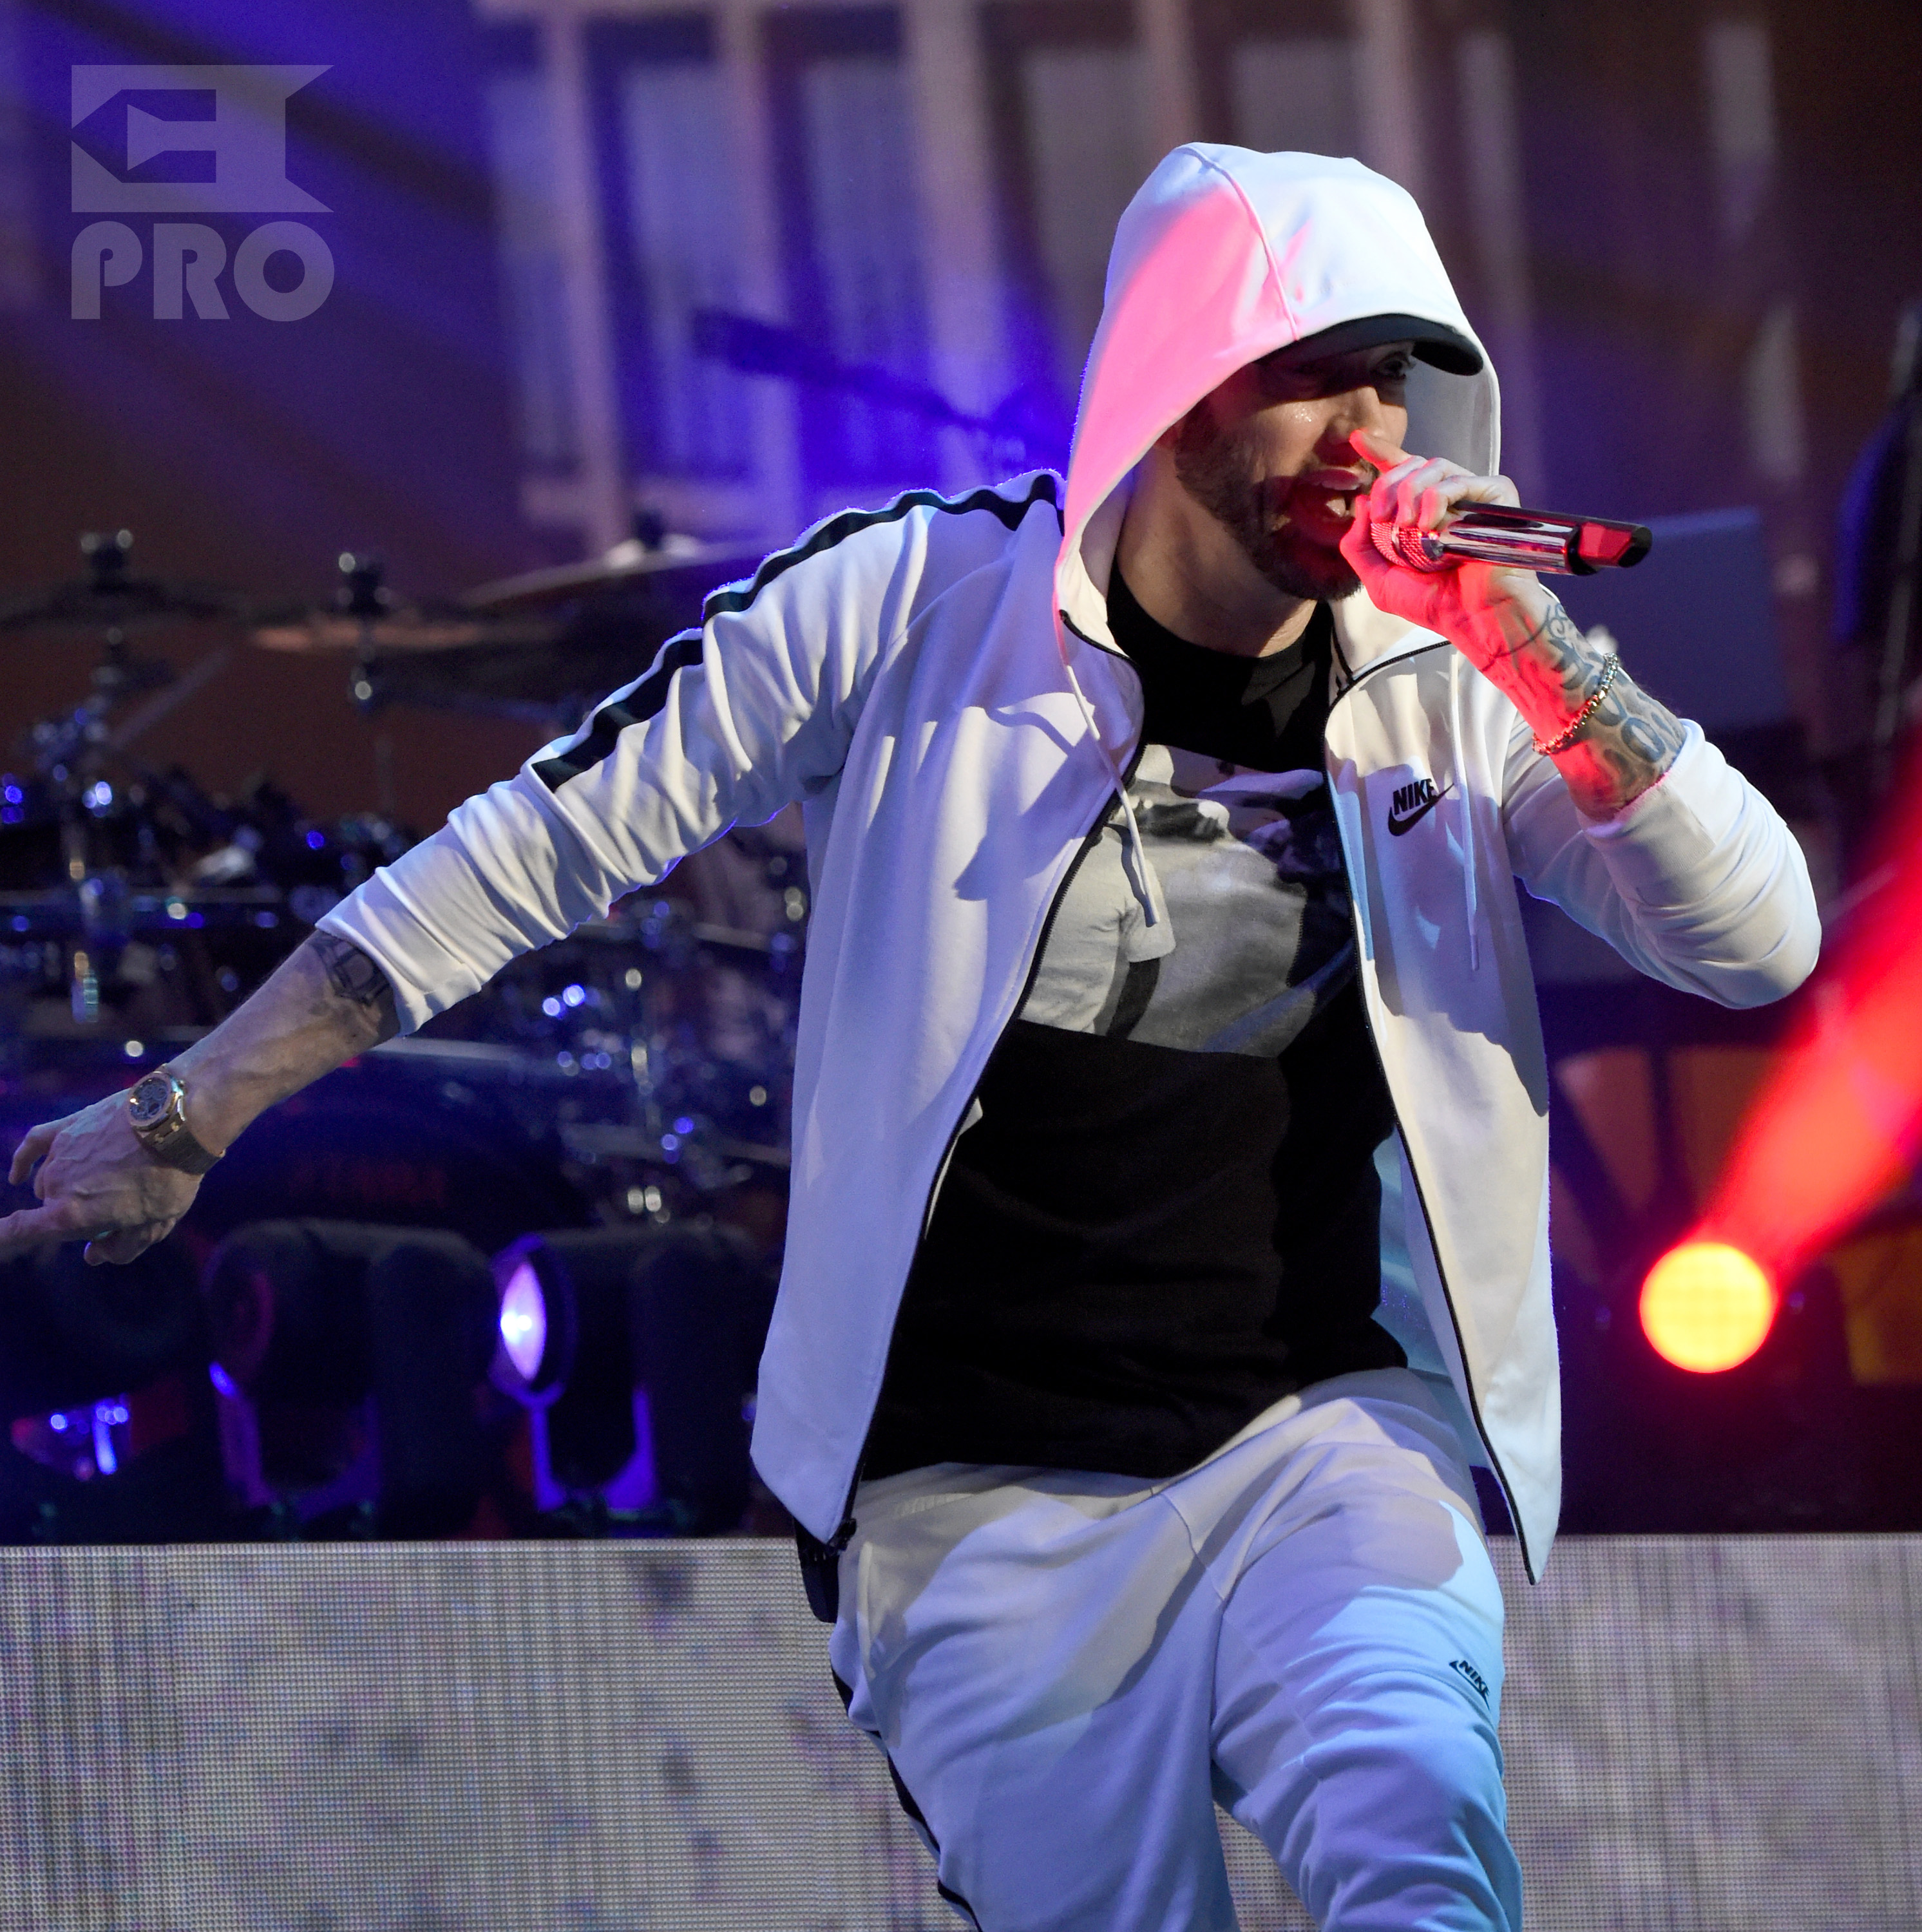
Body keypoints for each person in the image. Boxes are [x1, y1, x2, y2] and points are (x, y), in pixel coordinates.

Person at [0, 148, 1817, 1928]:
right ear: (1183, 389)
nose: (1365, 431)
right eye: (1306, 374)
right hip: (976, 1500)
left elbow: (1759, 944)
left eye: (1390, 377)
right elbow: (536, 847)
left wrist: (1536, 648)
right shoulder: (916, 602)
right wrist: (183, 1112)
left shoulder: (1449, 679)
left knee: (1417, 1840)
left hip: (1327, 1439)